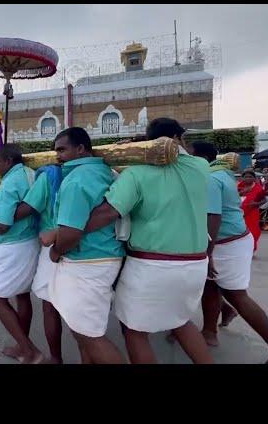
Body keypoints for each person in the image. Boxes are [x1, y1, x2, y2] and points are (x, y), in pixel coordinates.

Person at [82, 118, 213, 364]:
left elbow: (108, 212)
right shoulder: (200, 167)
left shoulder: (136, 173)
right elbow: (180, 159)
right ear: (178, 139)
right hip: (195, 264)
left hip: (153, 266)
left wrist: (68, 232)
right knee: (181, 321)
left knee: (134, 330)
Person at [192, 142, 268, 364]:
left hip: (227, 243)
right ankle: (210, 331)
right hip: (227, 241)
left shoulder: (211, 179)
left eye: (189, 155)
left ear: (200, 158)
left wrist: (207, 253)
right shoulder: (218, 173)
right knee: (210, 285)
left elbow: (213, 217)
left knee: (236, 294)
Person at [37, 128, 126, 364]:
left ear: (80, 149)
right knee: (85, 330)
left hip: (87, 260)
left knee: (88, 336)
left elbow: (71, 233)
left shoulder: (76, 180)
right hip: (104, 255)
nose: (58, 155)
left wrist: (56, 251)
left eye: (62, 149)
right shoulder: (104, 171)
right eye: (56, 150)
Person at [0, 144, 43, 364]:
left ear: (8, 160)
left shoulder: (10, 183)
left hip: (13, 245)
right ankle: (22, 345)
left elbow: (2, 226)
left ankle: (29, 350)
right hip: (30, 241)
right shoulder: (30, 173)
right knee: (22, 294)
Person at [12, 161, 64, 363]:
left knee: (49, 305)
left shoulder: (49, 176)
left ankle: (56, 358)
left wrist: (1, 218)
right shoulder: (102, 172)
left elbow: (28, 207)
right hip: (90, 249)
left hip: (53, 243)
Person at [238, 169, 267, 252]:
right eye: (245, 177)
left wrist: (256, 204)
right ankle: (241, 250)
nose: (248, 178)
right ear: (242, 178)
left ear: (254, 178)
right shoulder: (237, 186)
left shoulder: (258, 188)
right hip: (238, 213)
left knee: (253, 231)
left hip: (252, 213)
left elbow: (264, 200)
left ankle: (250, 249)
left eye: (250, 177)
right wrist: (240, 193)